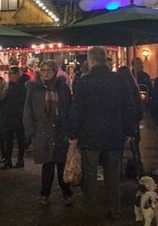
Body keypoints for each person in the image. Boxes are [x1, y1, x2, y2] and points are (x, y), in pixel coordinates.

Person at [68, 46, 137, 222]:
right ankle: (115, 209)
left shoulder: (84, 82)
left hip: (89, 135)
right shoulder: (119, 80)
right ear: (105, 59)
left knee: (90, 175)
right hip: (114, 133)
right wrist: (130, 130)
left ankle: (92, 208)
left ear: (91, 60)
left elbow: (76, 110)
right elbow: (128, 106)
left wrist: (73, 133)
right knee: (113, 174)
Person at [23, 59, 73, 206]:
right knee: (48, 165)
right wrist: (31, 131)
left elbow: (69, 108)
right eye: (43, 70)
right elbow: (28, 110)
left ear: (54, 72)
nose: (46, 73)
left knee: (62, 164)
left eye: (49, 70)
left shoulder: (62, 89)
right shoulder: (34, 89)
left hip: (60, 131)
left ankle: (66, 192)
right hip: (43, 131)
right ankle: (45, 193)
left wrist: (69, 129)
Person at [117, 66, 144, 177]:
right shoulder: (134, 88)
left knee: (120, 150)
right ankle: (139, 170)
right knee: (135, 148)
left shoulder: (122, 90)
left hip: (123, 124)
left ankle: (120, 172)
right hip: (133, 124)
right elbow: (139, 109)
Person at [1, 66, 29, 169]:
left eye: (12, 74)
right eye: (9, 74)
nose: (10, 76)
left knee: (20, 139)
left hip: (20, 115)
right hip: (10, 115)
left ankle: (20, 159)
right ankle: (8, 160)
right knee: (8, 139)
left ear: (18, 74)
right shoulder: (10, 85)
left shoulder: (24, 85)